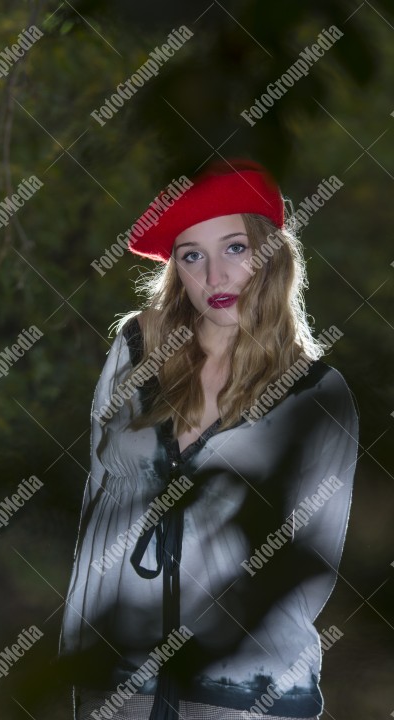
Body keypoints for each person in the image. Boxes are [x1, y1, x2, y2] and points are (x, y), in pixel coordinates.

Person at [59, 159, 359, 720]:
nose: (214, 277)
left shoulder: (320, 394)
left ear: (272, 254)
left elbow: (313, 555)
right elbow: (96, 501)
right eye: (192, 255)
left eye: (235, 248)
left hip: (245, 689)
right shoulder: (133, 351)